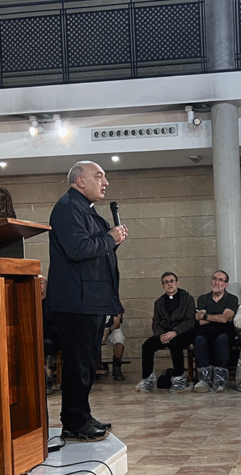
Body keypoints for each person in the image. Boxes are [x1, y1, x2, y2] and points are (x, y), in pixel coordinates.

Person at [46, 161, 127, 442]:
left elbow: (96, 246)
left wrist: (110, 239)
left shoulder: (85, 210)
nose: (105, 182)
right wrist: (109, 238)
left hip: (89, 300)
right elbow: (78, 248)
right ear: (80, 181)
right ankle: (73, 421)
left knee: (88, 363)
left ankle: (82, 415)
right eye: (99, 176)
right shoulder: (68, 207)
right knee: (79, 364)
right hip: (75, 302)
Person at [136, 272, 195, 393]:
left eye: (172, 281)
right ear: (163, 286)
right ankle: (147, 379)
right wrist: (160, 335)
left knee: (175, 343)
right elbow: (156, 322)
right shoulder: (159, 302)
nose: (169, 284)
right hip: (164, 333)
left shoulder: (188, 299)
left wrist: (175, 332)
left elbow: (190, 321)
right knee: (147, 345)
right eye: (166, 282)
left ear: (177, 283)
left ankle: (179, 379)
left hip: (183, 332)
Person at [192, 270, 239, 392]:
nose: (216, 282)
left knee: (222, 340)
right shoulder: (203, 298)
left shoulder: (232, 299)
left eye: (220, 280)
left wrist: (207, 316)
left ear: (226, 284)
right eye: (214, 279)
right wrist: (217, 317)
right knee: (199, 340)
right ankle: (204, 380)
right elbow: (199, 320)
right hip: (205, 331)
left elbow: (225, 319)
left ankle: (220, 380)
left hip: (224, 331)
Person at [102, 314, 126, 380]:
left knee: (119, 337)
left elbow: (116, 323)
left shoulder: (115, 304)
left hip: (111, 329)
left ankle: (116, 367)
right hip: (94, 328)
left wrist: (107, 332)